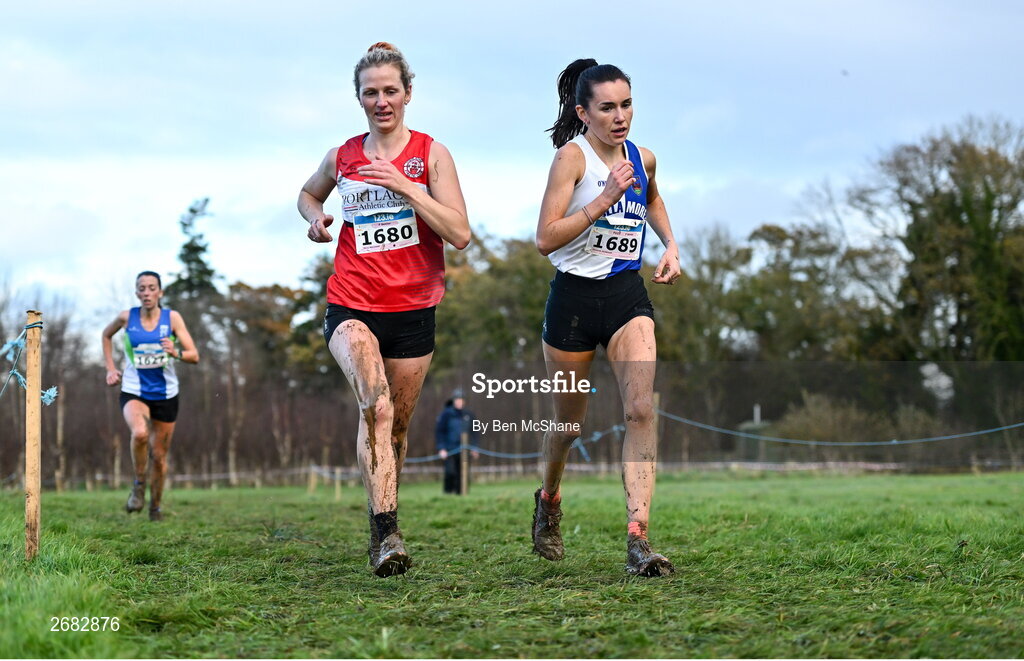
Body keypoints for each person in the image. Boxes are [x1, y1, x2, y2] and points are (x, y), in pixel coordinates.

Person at [297, 42, 470, 577]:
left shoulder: (431, 154)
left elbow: (460, 234)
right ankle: (385, 535)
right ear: (359, 99)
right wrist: (316, 218)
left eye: (390, 90)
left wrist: (407, 188)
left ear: (408, 93)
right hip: (352, 303)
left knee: (395, 431)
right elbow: (307, 194)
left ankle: (384, 516)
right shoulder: (342, 156)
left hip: (416, 311)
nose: (381, 101)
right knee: (375, 406)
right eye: (370, 93)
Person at [532, 59, 682, 577]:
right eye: (607, 107)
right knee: (568, 426)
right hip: (572, 300)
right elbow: (545, 237)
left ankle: (638, 539)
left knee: (641, 410)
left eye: (627, 104)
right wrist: (603, 199)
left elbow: (654, 198)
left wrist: (670, 245)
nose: (620, 117)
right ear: (583, 111)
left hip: (625, 296)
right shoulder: (570, 160)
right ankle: (549, 500)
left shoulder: (644, 158)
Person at [101, 271, 199, 521]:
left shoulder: (172, 318)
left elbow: (194, 355)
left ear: (160, 292)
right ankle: (138, 483)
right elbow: (106, 335)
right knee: (140, 433)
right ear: (137, 293)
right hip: (134, 390)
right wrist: (111, 369)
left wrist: (175, 351)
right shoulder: (126, 317)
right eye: (142, 288)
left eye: (151, 288)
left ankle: (155, 507)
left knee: (159, 457)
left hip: (166, 394)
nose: (146, 292)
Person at [434, 388, 479, 494]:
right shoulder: (446, 415)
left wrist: (474, 447)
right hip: (449, 449)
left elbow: (475, 432)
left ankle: (462, 496)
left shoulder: (469, 415)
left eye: (462, 399)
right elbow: (440, 432)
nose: (460, 402)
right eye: (458, 399)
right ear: (454, 400)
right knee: (450, 472)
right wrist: (441, 448)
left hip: (464, 450)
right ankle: (448, 494)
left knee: (463, 474)